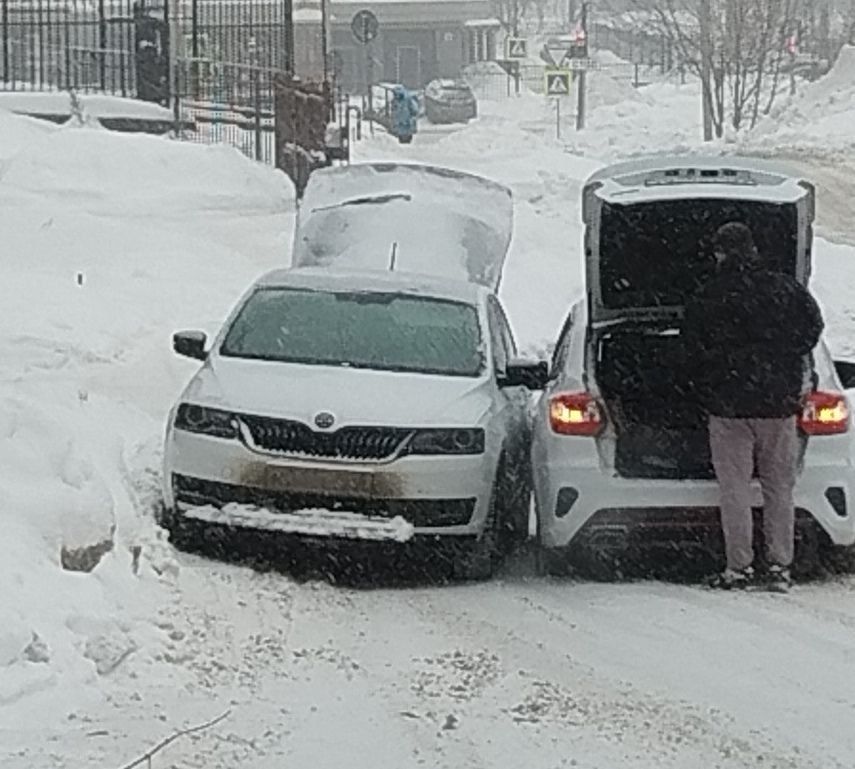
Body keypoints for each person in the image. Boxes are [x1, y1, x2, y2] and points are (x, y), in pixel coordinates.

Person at [683, 221, 824, 592]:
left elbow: (690, 347)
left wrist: (712, 377)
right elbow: (812, 328)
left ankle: (739, 567)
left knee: (735, 490)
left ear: (722, 253)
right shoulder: (784, 289)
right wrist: (783, 357)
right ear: (753, 251)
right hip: (778, 407)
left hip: (728, 409)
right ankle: (779, 567)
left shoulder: (710, 294)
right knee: (780, 488)